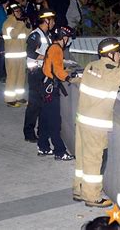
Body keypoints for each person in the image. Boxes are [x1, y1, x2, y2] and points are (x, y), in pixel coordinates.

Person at [72, 38, 120, 208]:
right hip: (95, 125)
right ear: (112, 54)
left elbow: (81, 79)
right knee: (94, 160)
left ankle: (79, 189)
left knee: (82, 158)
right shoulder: (113, 73)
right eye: (119, 53)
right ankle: (92, 197)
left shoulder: (91, 66)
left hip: (82, 120)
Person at [38, 26, 75, 160]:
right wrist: (69, 78)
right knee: (54, 121)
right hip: (50, 88)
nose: (68, 40)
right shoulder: (56, 49)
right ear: (63, 37)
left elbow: (52, 66)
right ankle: (60, 152)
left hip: (45, 85)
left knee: (45, 118)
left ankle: (43, 147)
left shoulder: (52, 47)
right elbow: (57, 70)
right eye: (68, 38)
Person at [22, 9, 55, 143]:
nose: (53, 23)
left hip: (44, 72)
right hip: (35, 73)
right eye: (52, 21)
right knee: (34, 105)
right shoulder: (35, 35)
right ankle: (29, 133)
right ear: (46, 21)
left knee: (43, 104)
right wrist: (47, 57)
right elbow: (30, 52)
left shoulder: (46, 34)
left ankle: (41, 131)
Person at [2, 3, 31, 107]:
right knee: (12, 77)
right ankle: (10, 99)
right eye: (17, 11)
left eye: (20, 11)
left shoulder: (20, 23)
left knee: (21, 77)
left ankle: (19, 97)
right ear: (12, 13)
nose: (19, 13)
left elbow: (27, 35)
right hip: (12, 56)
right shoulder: (8, 23)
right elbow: (14, 34)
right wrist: (21, 23)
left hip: (22, 55)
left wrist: (28, 26)